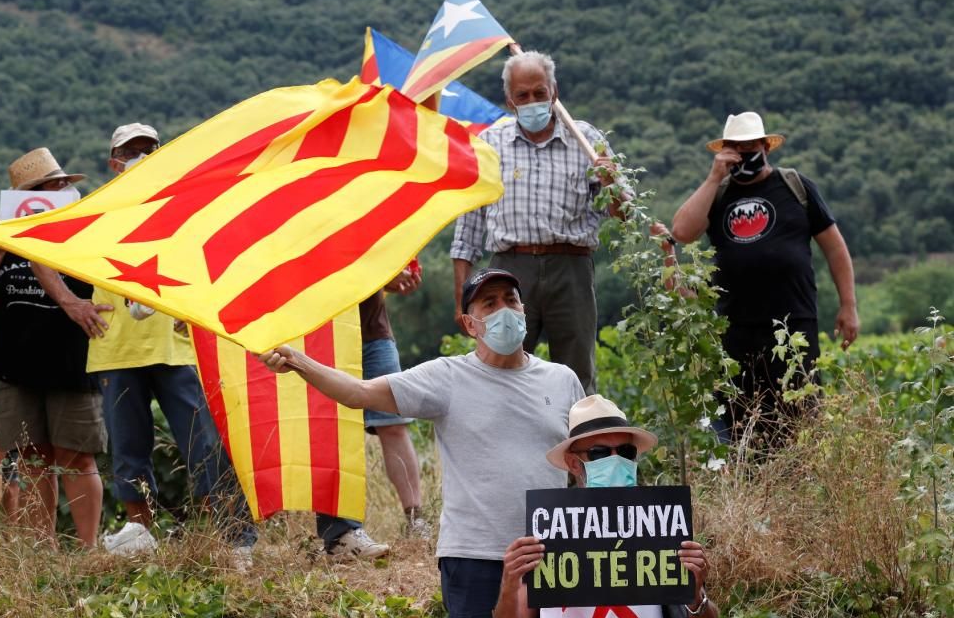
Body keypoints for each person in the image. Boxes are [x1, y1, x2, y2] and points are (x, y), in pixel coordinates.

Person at [258, 267, 585, 618]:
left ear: (524, 311)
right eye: (489, 304)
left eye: (511, 300)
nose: (504, 311)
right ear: (470, 323)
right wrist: (299, 361)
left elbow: (587, 463)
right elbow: (358, 393)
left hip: (552, 559)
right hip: (475, 558)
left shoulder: (562, 381)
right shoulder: (447, 377)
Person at [35, 123, 257, 559]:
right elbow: (37, 251)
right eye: (132, 151)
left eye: (149, 149)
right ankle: (140, 534)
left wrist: (198, 311)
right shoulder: (94, 209)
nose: (141, 157)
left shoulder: (181, 206)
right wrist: (70, 304)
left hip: (175, 344)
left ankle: (234, 539)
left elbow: (212, 258)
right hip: (114, 345)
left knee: (203, 444)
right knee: (129, 449)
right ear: (113, 162)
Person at [671, 112, 858, 444]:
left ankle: (800, 486)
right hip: (735, 330)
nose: (743, 154)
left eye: (750, 145)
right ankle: (754, 489)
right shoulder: (718, 193)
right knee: (742, 419)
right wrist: (714, 177)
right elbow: (682, 232)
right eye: (735, 147)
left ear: (765, 146)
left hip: (794, 326)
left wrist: (848, 305)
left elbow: (835, 248)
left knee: (800, 416)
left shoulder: (795, 186)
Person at [450, 50, 629, 396]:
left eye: (539, 93)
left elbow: (623, 216)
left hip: (571, 267)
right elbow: (469, 223)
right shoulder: (491, 143)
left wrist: (611, 181)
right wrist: (461, 296)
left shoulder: (587, 140)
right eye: (523, 95)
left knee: (577, 374)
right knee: (500, 367)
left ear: (554, 92)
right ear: (509, 99)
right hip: (508, 270)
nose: (532, 101)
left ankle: (580, 444)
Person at [0, 148, 106, 548]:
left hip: (70, 361)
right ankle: (43, 550)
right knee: (29, 460)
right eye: (53, 186)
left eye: (63, 185)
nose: (61, 191)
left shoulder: (83, 233)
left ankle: (88, 548)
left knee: (77, 457)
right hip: (13, 367)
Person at [495, 394, 720, 618]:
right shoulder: (548, 533)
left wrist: (695, 596)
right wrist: (509, 583)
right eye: (599, 453)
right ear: (573, 463)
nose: (616, 460)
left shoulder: (659, 526)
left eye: (625, 451)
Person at [314, 270, 430, 559]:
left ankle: (416, 520)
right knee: (331, 428)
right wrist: (384, 276)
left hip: (372, 332)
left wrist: (390, 274)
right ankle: (341, 534)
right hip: (322, 332)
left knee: (394, 425)